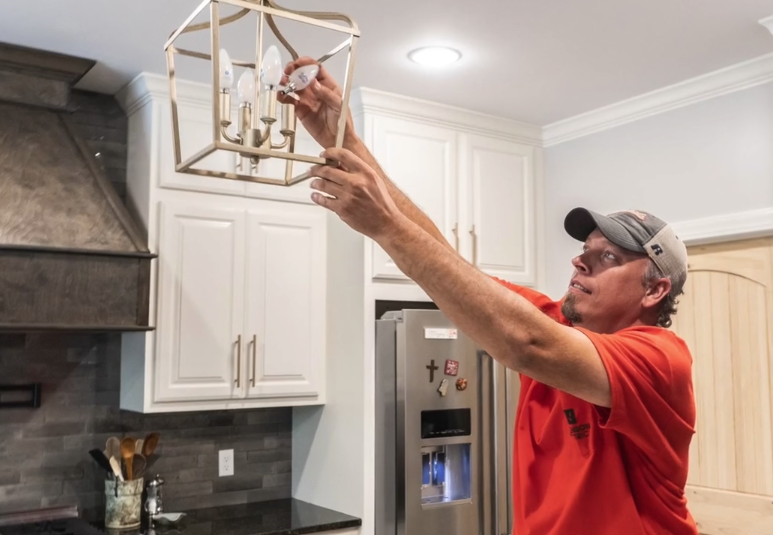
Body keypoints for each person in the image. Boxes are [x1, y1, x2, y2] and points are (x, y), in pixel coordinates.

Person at [281, 57, 699, 535]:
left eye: (607, 258)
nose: (579, 261)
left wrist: (385, 226)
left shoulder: (661, 360)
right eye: (584, 250)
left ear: (655, 290)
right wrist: (344, 140)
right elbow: (443, 260)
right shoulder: (556, 324)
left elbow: (526, 344)